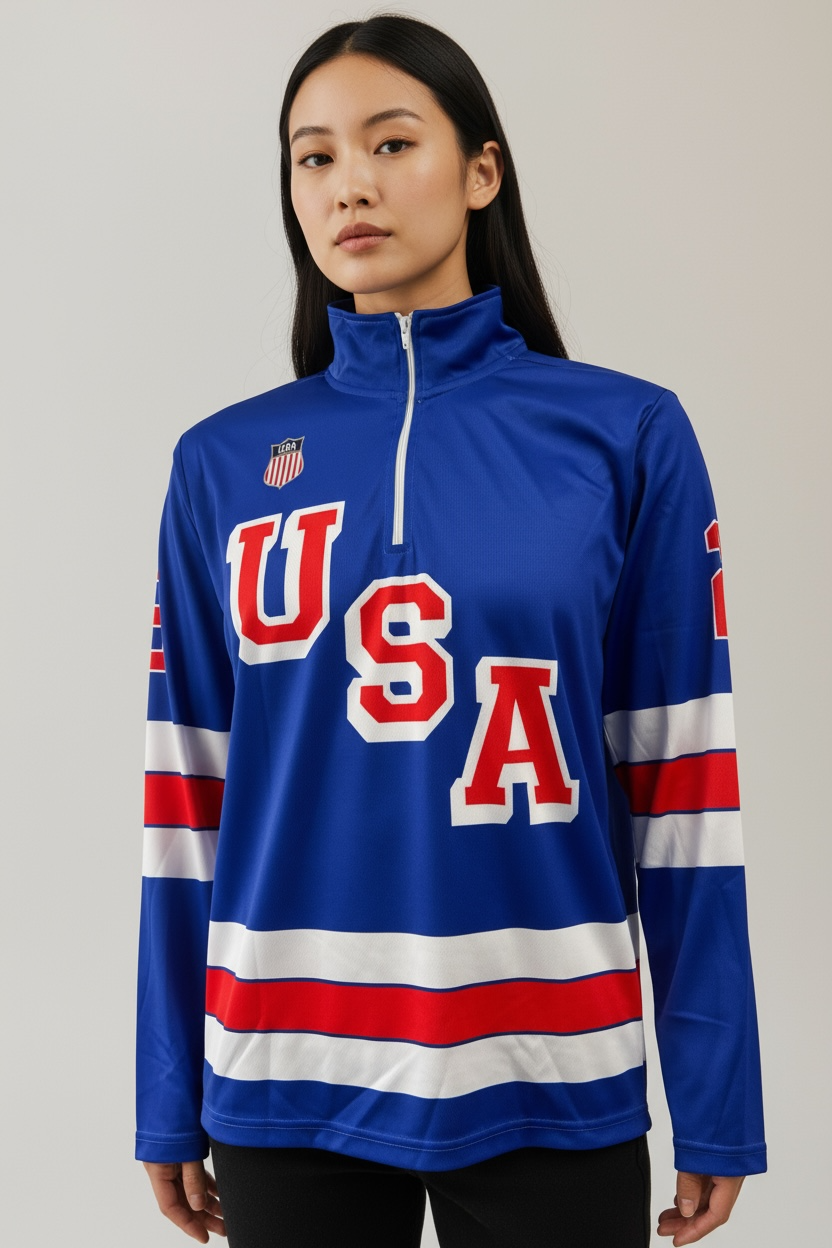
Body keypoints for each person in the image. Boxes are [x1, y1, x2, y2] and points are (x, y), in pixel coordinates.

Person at [136, 13, 766, 1247]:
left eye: (390, 142)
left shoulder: (625, 437)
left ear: (482, 172)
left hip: (551, 1065)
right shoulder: (219, 463)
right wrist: (169, 1094)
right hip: (284, 1071)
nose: (349, 185)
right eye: (313, 157)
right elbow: (183, 800)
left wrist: (716, 1100)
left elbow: (684, 791)